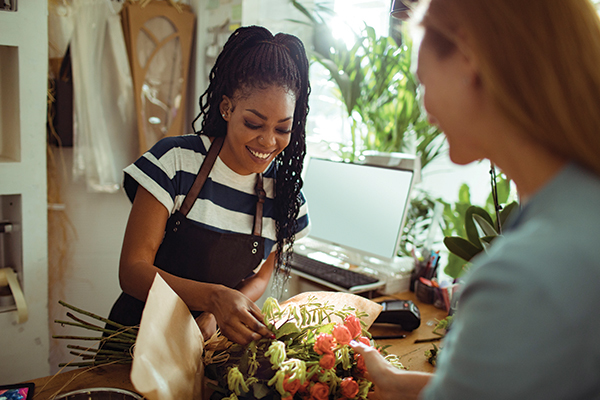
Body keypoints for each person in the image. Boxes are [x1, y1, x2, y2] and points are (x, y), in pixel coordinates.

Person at [351, 0, 600, 399]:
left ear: (468, 56)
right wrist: (391, 378)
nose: (425, 108)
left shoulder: (524, 277)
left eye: (422, 80)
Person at [106, 25, 311, 346]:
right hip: (137, 339)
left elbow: (261, 276)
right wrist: (214, 298)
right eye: (254, 124)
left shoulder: (286, 198)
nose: (268, 141)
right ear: (227, 108)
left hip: (211, 346)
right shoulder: (175, 161)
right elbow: (132, 271)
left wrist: (215, 316)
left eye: (283, 129)